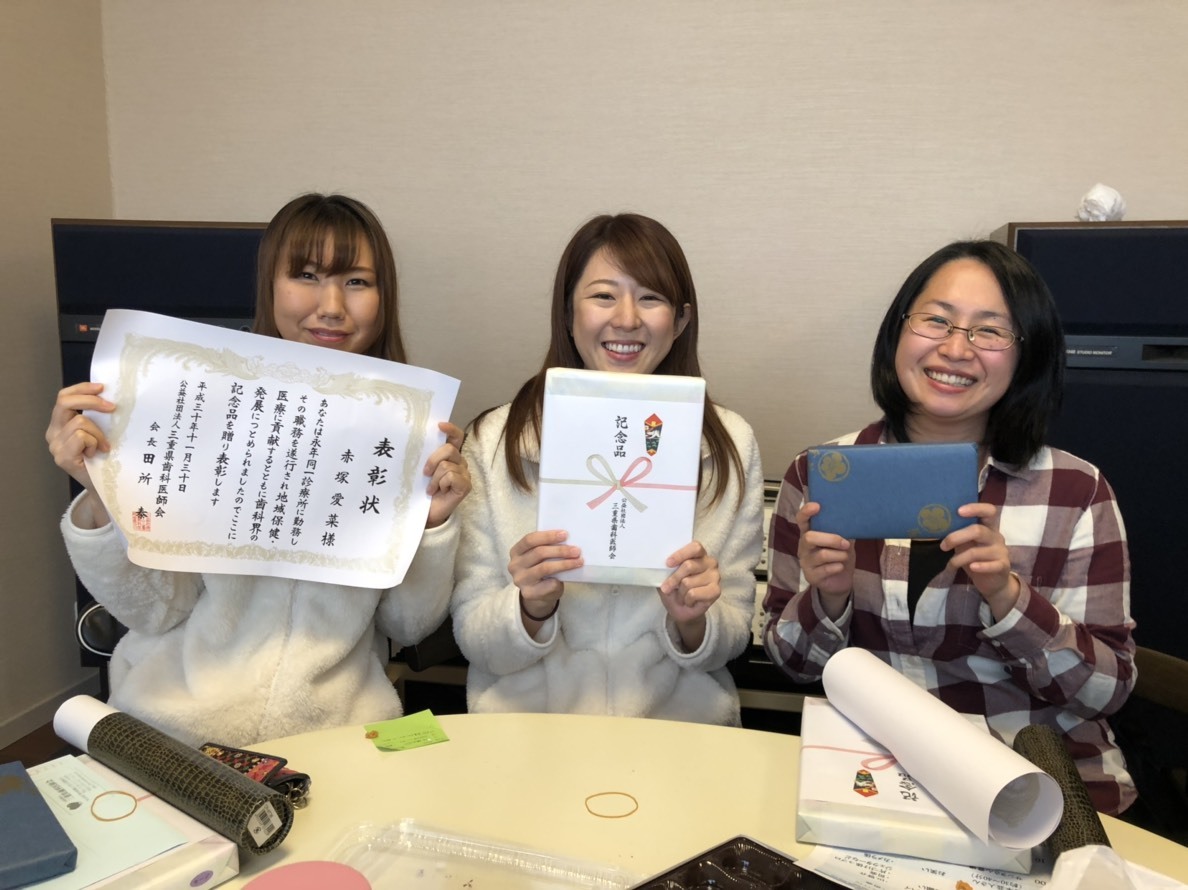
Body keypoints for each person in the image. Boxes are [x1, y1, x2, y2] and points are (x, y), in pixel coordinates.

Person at [45, 193, 470, 747]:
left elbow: (407, 626)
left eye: (357, 282)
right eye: (307, 276)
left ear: (384, 296)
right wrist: (100, 489)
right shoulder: (194, 401)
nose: (332, 305)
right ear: (270, 283)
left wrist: (433, 524)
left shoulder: (408, 431)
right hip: (176, 727)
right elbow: (153, 611)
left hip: (335, 733)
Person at [763, 240, 1136, 814]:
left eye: (990, 331)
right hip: (880, 780)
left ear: (1026, 355)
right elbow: (794, 666)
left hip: (1040, 788)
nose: (956, 349)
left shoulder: (1075, 490)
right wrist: (828, 598)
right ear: (898, 332)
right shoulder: (822, 476)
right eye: (936, 320)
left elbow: (1104, 693)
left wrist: (1008, 597)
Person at [451, 213, 764, 725]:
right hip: (528, 732)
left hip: (676, 734)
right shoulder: (495, 440)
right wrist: (529, 607)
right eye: (603, 296)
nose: (626, 319)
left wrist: (695, 621)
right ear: (567, 311)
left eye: (651, 298)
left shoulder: (730, 443)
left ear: (680, 320)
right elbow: (474, 638)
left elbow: (729, 640)